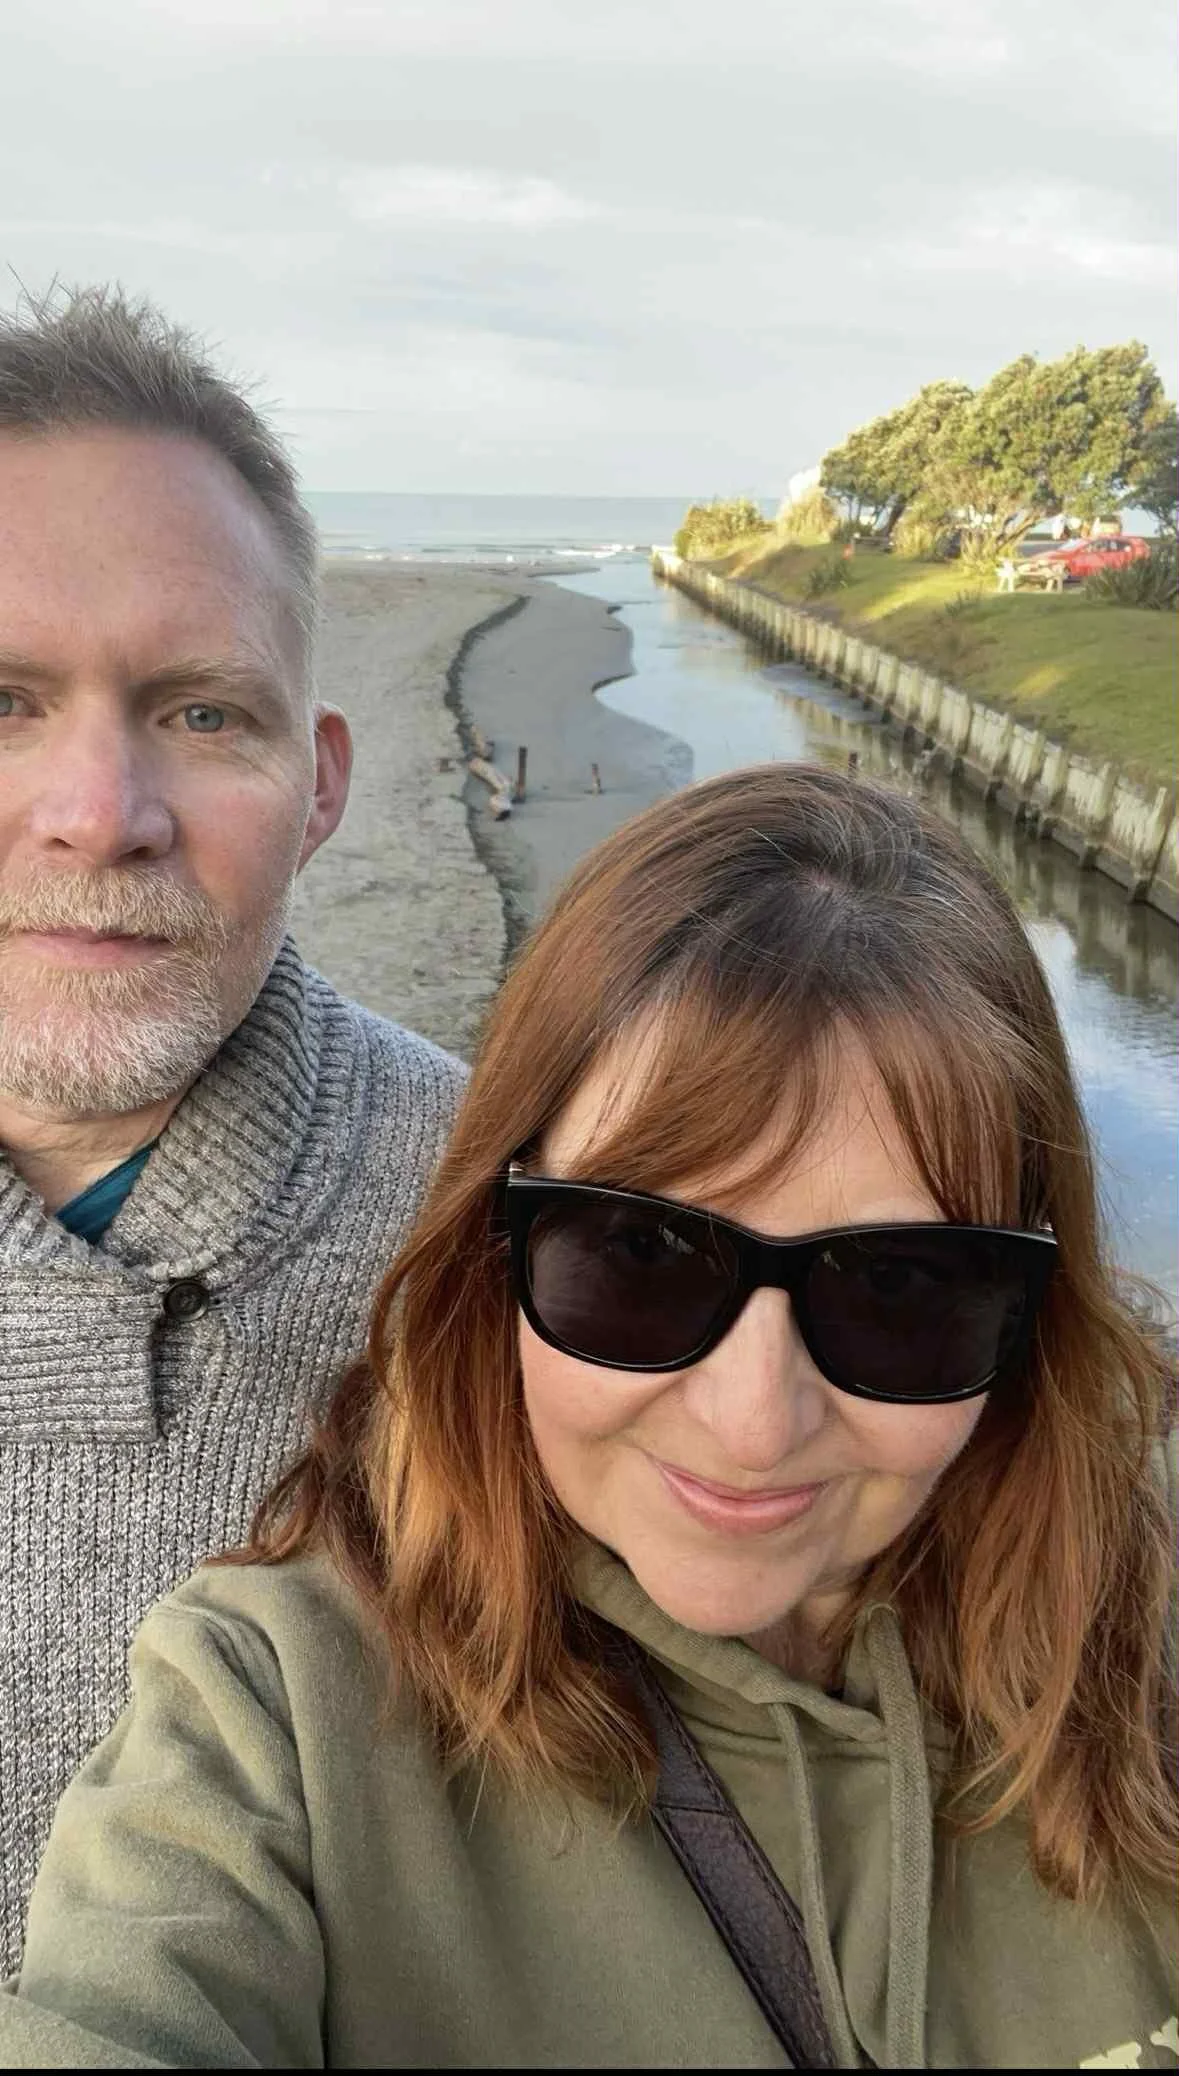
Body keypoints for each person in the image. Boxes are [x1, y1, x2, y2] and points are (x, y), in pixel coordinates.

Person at [3, 765, 1175, 2069]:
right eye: (643, 1258)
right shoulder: (270, 1710)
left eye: (898, 1287)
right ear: (490, 1249)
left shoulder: (1148, 1611)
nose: (752, 1423)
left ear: (1024, 1314)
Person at [0, 287, 466, 1974]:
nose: (97, 814)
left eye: (202, 713)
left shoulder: (529, 1248)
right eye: (1, 701)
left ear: (323, 780)